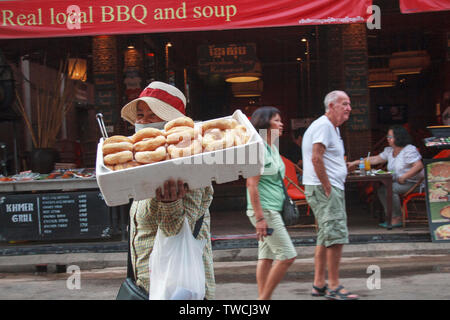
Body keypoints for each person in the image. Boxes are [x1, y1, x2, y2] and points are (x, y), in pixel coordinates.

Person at [120, 81, 215, 299]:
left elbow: (178, 232)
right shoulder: (145, 166)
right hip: (149, 286)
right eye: (140, 115)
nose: (142, 122)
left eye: (152, 116)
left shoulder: (192, 168)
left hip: (179, 290)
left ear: (172, 124)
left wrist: (170, 203)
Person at [302, 90, 359, 300]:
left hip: (326, 186)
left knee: (325, 237)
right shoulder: (325, 126)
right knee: (335, 237)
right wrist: (327, 186)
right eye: (344, 104)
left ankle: (319, 284)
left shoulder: (331, 128)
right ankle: (334, 285)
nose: (349, 108)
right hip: (325, 188)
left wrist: (345, 168)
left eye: (349, 104)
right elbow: (316, 158)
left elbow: (323, 158)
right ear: (331, 106)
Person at [246, 106, 297, 300]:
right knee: (287, 256)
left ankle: (263, 297)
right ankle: (263, 300)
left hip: (273, 208)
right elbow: (252, 185)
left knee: (266, 258)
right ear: (265, 124)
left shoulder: (272, 146)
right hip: (265, 212)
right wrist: (260, 218)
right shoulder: (257, 149)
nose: (281, 123)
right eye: (277, 120)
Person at [348, 125, 424, 228]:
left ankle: (397, 218)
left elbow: (419, 165)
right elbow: (375, 159)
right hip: (399, 182)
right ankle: (392, 216)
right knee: (382, 190)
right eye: (388, 136)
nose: (387, 138)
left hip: (414, 183)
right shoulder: (389, 150)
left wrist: (404, 176)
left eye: (390, 136)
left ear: (399, 137)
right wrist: (355, 162)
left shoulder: (409, 150)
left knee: (389, 189)